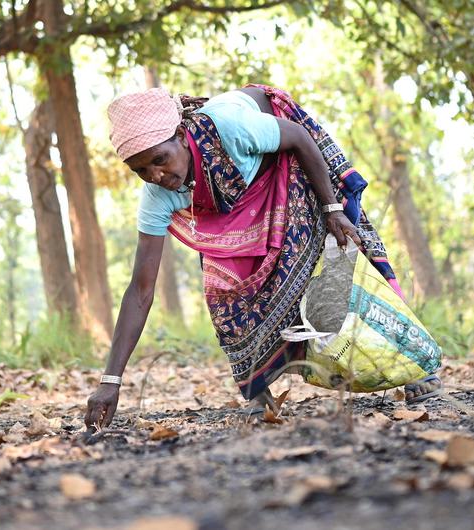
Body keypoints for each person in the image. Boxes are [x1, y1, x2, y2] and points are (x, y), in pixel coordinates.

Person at [83, 84, 442, 431]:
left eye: (159, 160)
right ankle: (258, 390)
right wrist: (111, 380)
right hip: (233, 203)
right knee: (225, 289)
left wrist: (332, 207)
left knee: (335, 258)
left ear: (180, 135)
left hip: (288, 161)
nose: (156, 176)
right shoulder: (157, 196)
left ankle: (416, 364)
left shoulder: (231, 129)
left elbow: (299, 138)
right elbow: (141, 290)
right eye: (141, 170)